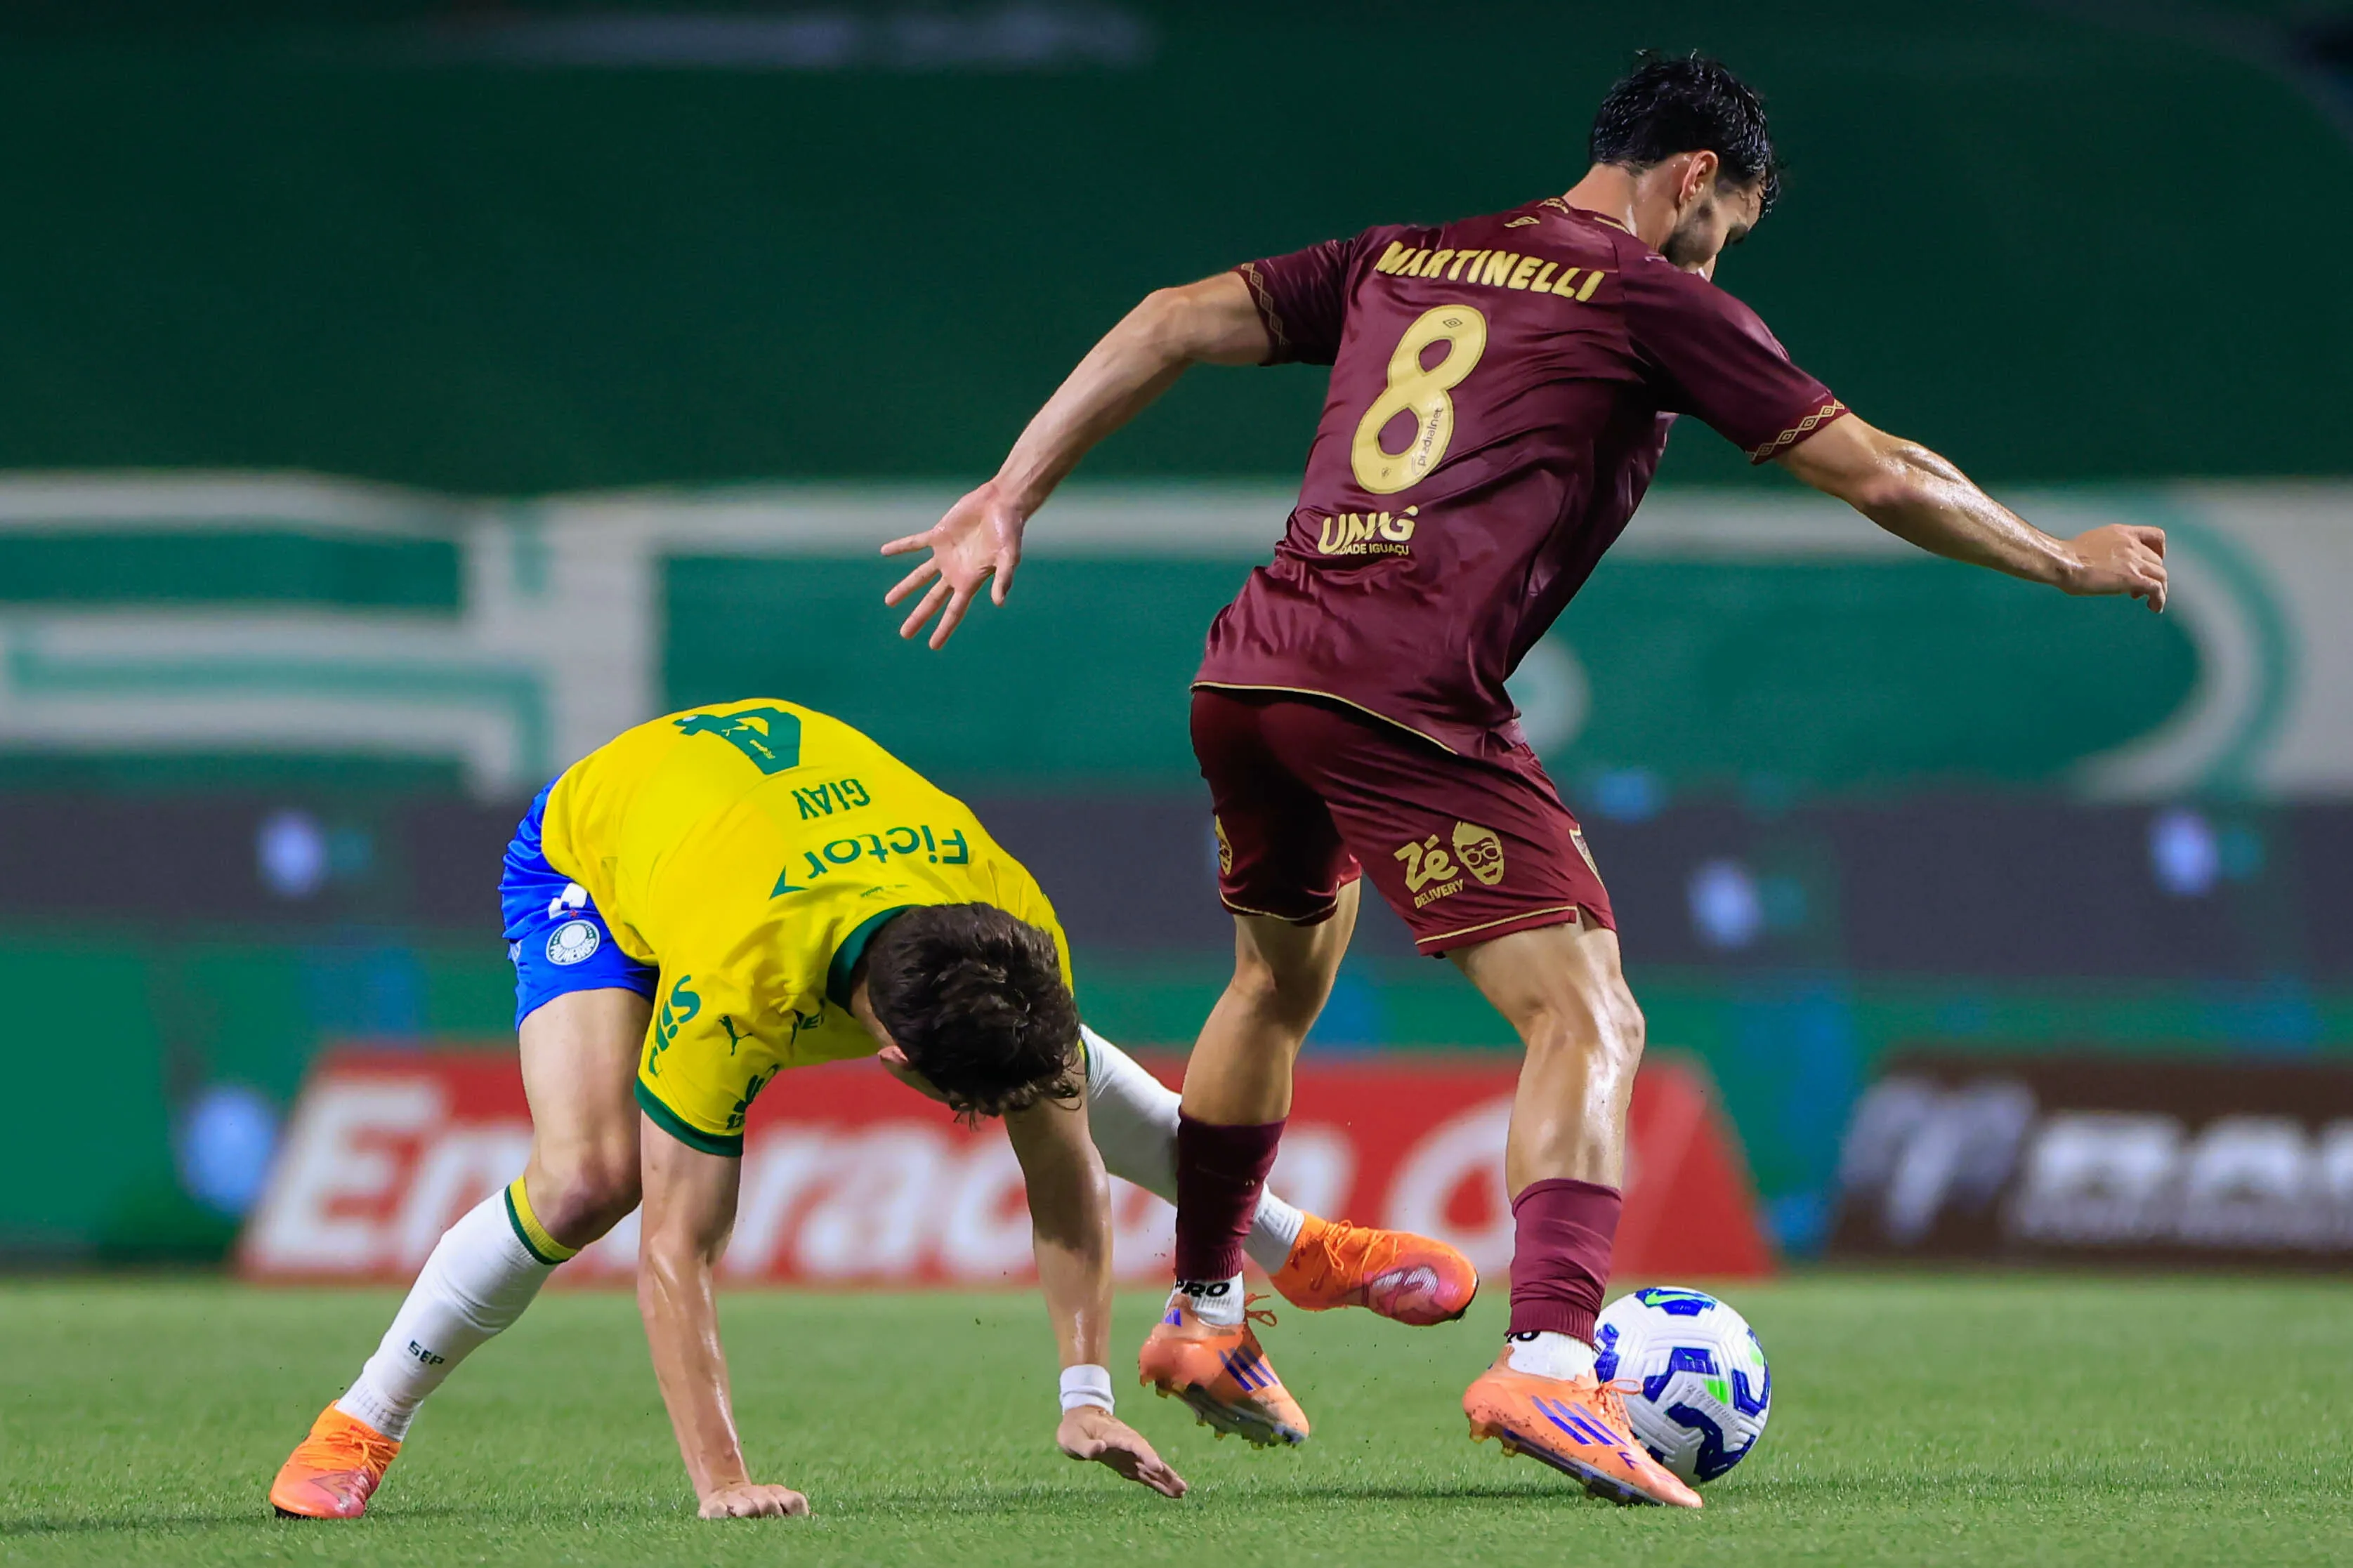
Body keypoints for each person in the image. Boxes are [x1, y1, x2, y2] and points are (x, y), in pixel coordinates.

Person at [881, 53, 2169, 1508]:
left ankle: (1204, 1315)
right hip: (1401, 691)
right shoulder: (1655, 299)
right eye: (1726, 221)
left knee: (1270, 987)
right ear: (1693, 178)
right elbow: (1881, 470)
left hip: (1249, 674)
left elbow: (1168, 319)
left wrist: (1009, 491)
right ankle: (1555, 1366)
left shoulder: (1403, 254)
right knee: (1588, 1014)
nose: (1717, 248)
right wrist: (2059, 558)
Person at [266, 698, 1474, 1522]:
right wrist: (723, 1479)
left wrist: (1083, 1399)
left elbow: (1062, 1180)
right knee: (593, 1180)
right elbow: (676, 1257)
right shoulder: (736, 993)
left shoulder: (1006, 916)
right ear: (889, 1059)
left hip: (782, 828)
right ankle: (360, 1424)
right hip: (600, 846)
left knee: (1058, 1063)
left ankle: (1295, 1246)